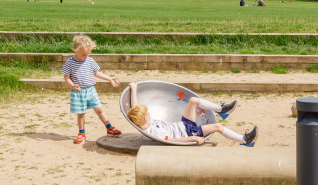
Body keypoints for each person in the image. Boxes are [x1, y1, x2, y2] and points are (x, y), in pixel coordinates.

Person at [127, 82, 258, 146]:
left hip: (183, 124)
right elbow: (173, 140)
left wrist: (134, 88)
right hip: (189, 132)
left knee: (193, 101)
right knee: (218, 127)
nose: (150, 114)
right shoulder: (153, 132)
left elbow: (134, 108)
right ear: (145, 117)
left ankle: (222, 110)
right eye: (148, 113)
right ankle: (245, 140)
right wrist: (192, 139)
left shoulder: (139, 120)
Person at [62, 35, 121, 144]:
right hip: (78, 92)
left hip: (90, 90)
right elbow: (66, 77)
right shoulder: (70, 62)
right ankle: (81, 133)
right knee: (81, 113)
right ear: (74, 49)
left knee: (99, 110)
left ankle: (109, 128)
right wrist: (72, 85)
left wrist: (109, 78)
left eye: (88, 53)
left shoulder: (90, 61)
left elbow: (96, 73)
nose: (86, 56)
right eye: (83, 54)